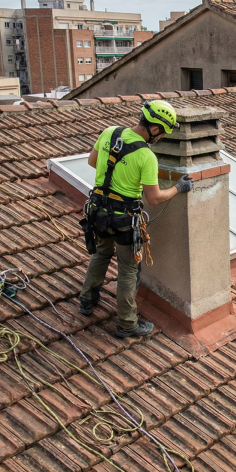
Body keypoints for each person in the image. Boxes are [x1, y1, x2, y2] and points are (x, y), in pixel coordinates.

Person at [79, 100, 193, 338]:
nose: (161, 137)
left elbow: (92, 161)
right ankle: (127, 324)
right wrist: (178, 188)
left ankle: (87, 301)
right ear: (154, 128)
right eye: (162, 132)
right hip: (123, 221)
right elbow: (154, 198)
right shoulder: (146, 156)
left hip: (98, 213)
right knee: (129, 270)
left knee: (100, 254)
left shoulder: (110, 132)